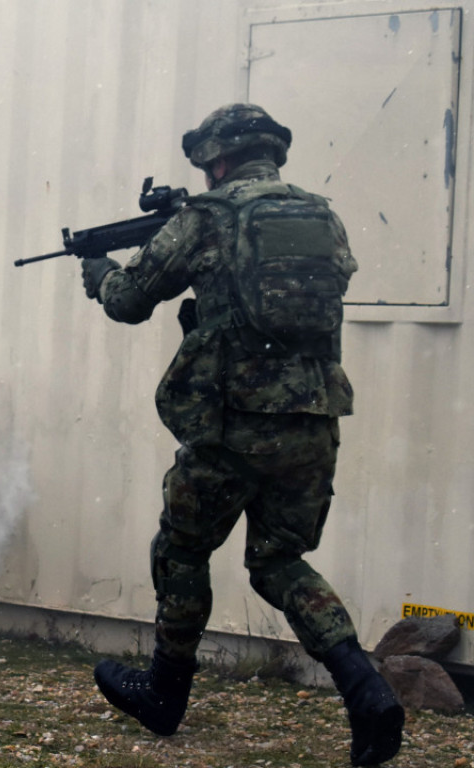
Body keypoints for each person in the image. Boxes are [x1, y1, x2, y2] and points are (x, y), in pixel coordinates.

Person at [80, 104, 405, 767]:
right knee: (279, 561)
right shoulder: (323, 217)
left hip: (233, 425)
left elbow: (130, 300)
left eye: (207, 167)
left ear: (219, 161)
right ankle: (366, 688)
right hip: (312, 423)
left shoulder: (210, 217)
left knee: (181, 551)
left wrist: (97, 272)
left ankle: (164, 695)